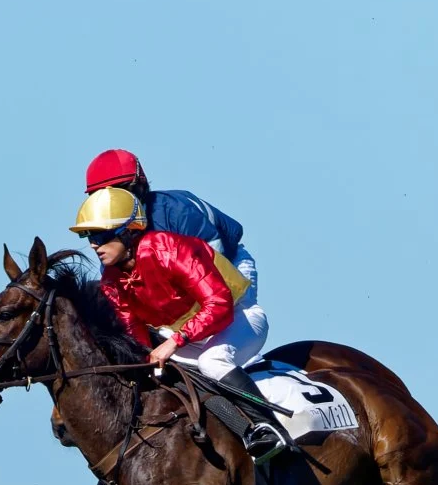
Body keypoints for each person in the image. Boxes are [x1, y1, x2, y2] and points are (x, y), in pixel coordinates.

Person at [69, 186, 290, 464]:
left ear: (129, 231)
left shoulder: (168, 250)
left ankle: (270, 430)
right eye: (88, 236)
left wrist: (174, 342)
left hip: (237, 320)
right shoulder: (112, 280)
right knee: (162, 379)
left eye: (100, 235)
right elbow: (134, 331)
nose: (93, 244)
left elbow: (219, 305)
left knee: (213, 362)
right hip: (190, 337)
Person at [84, 149, 258, 306]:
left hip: (227, 265)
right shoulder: (108, 234)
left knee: (219, 327)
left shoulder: (177, 212)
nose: (110, 202)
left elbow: (213, 269)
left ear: (139, 187)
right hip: (176, 284)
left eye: (117, 191)